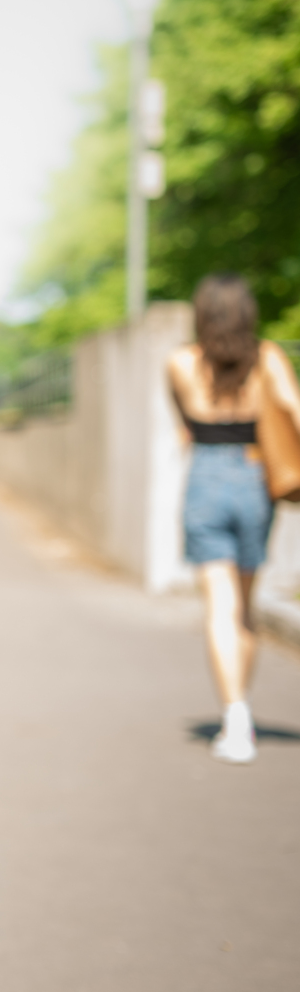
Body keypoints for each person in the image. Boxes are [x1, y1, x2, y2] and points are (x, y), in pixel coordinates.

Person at [165, 274, 300, 765]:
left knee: (219, 608)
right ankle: (241, 707)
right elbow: (293, 410)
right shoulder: (268, 360)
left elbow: (182, 420)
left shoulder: (181, 363)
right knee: (245, 606)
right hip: (254, 478)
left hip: (204, 477)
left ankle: (234, 715)